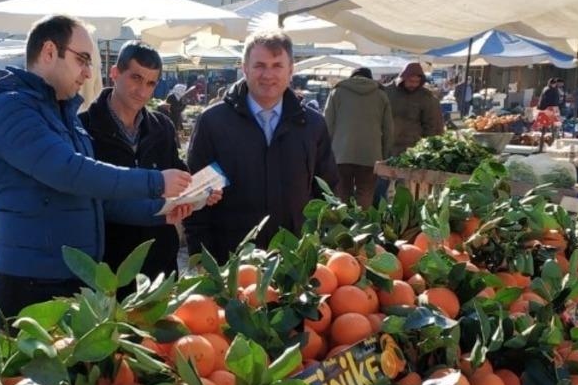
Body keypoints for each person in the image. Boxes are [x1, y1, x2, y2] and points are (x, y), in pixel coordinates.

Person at [0, 15, 191, 317]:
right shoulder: (10, 108)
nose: (87, 72)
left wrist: (159, 212)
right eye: (81, 60)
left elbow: (96, 200)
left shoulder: (63, 115)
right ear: (49, 52)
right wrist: (155, 182)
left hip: (76, 279)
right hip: (33, 284)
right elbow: (70, 172)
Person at [184, 30, 338, 260]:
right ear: (245, 68)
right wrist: (200, 258)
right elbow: (195, 197)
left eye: (277, 65)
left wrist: (323, 250)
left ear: (291, 70)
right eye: (259, 65)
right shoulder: (213, 123)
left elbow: (327, 192)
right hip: (231, 260)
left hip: (294, 260)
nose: (268, 74)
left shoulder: (312, 125)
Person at [80, 41, 210, 279]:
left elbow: (180, 178)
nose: (142, 91)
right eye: (136, 78)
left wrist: (201, 192)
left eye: (150, 83)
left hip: (160, 264)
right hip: (107, 268)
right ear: (115, 73)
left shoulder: (163, 127)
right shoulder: (83, 128)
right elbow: (89, 200)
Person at [323, 67, 393, 208]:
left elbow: (327, 124)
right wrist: (385, 156)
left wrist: (325, 153)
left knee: (342, 194)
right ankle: (361, 220)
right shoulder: (381, 95)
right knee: (365, 194)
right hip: (370, 155)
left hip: (340, 154)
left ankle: (343, 220)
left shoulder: (337, 92)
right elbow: (388, 129)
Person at [376, 62, 443, 201]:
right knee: (380, 182)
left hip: (411, 148)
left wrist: (429, 147)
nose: (413, 84)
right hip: (387, 145)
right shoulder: (387, 92)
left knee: (404, 188)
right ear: (403, 78)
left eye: (417, 81)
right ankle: (377, 209)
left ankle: (401, 210)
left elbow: (431, 124)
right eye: (411, 81)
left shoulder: (426, 97)